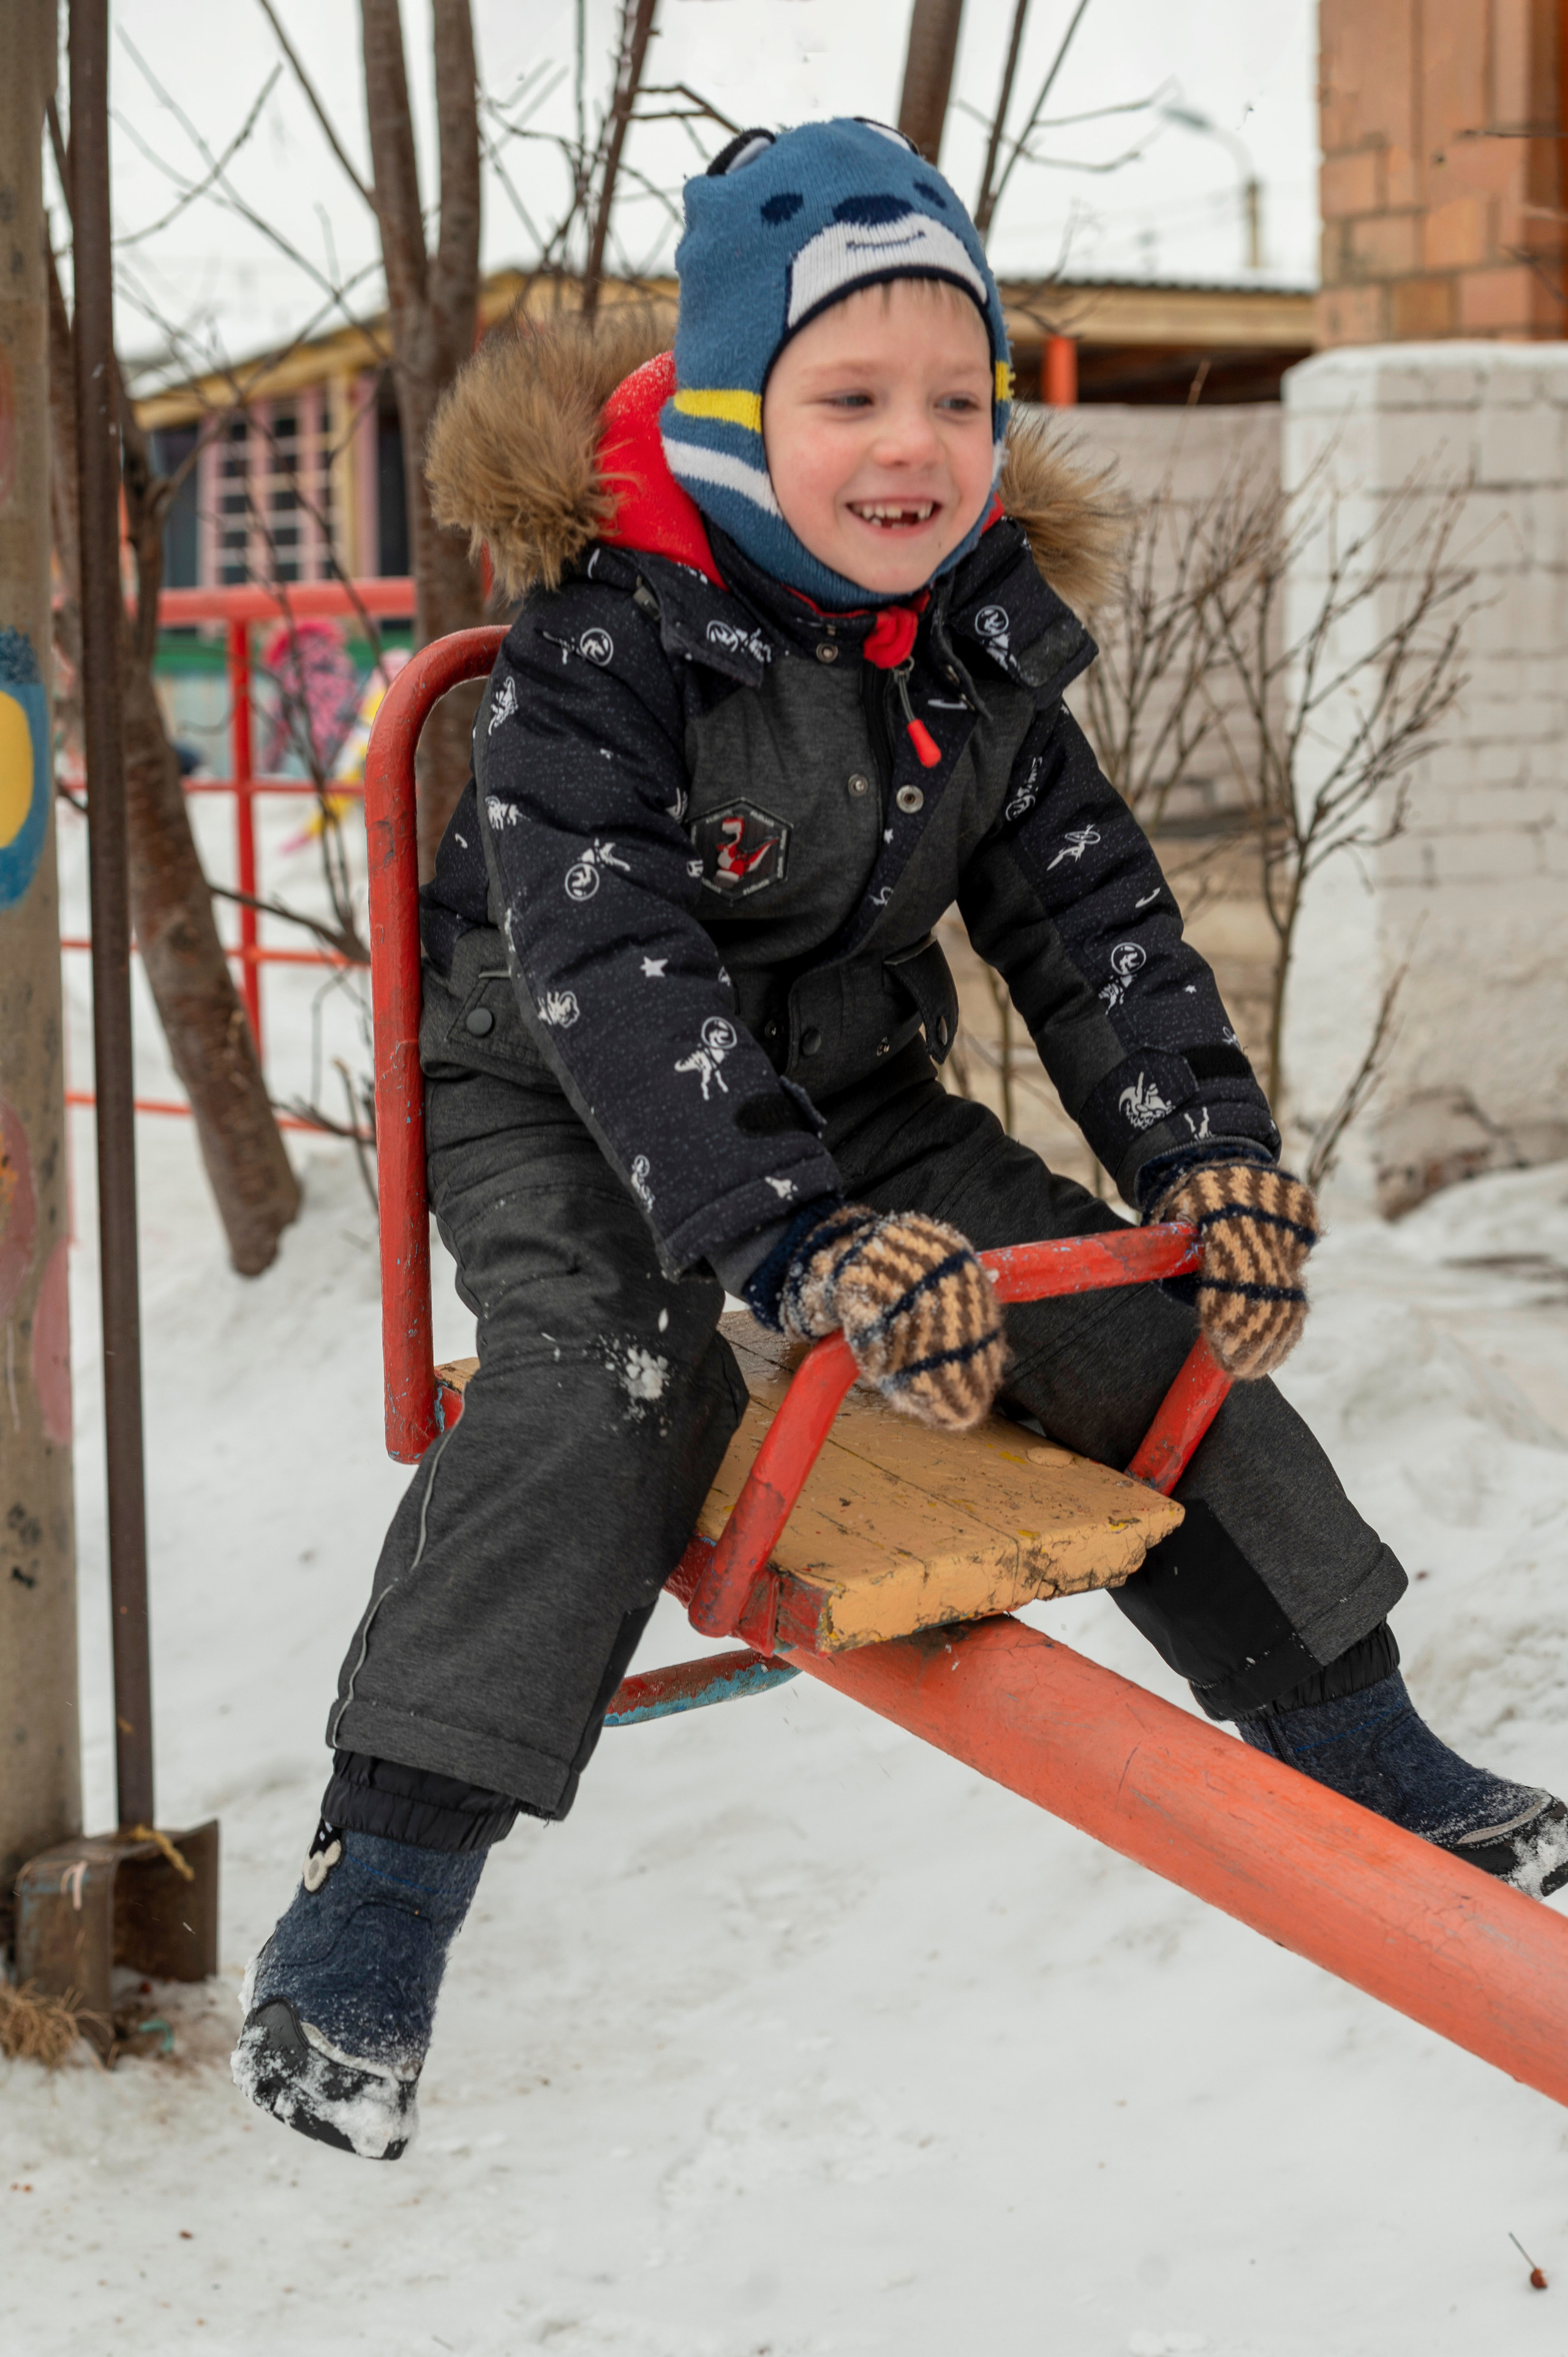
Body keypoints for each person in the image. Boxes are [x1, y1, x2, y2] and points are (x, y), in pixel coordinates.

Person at [232, 120, 1568, 2162]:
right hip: (568, 1087)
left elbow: (1099, 925)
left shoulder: (977, 646)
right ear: (732, 410)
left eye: (959, 397)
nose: (913, 445)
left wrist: (1203, 1160)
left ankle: (1366, 1736)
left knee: (1142, 1342)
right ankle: (383, 1887)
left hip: (843, 1086)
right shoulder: (603, 658)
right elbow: (624, 985)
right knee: (615, 1379)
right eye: (850, 394)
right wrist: (800, 1250)